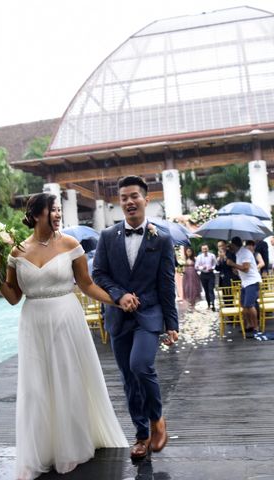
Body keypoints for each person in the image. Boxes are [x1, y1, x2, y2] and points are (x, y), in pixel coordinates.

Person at [0, 193, 128, 479]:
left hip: (66, 318)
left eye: (58, 210)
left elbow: (88, 285)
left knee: (68, 379)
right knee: (36, 386)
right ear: (37, 214)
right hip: (33, 321)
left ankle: (73, 448)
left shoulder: (70, 244)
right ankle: (39, 452)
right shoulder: (17, 252)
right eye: (53, 210)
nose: (57, 214)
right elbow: (13, 297)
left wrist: (117, 300)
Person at [93, 175, 179, 461]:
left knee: (140, 365)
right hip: (118, 317)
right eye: (124, 198)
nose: (129, 202)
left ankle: (156, 419)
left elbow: (166, 284)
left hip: (149, 315)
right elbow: (99, 275)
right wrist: (119, 296)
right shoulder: (106, 237)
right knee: (129, 379)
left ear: (146, 199)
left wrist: (172, 325)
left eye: (134, 196)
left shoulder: (162, 240)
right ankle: (141, 436)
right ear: (120, 203)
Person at [227, 237, 264, 337]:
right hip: (245, 282)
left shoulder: (245, 253)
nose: (229, 247)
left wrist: (233, 264)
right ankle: (249, 325)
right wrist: (236, 269)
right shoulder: (238, 253)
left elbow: (246, 268)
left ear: (234, 245)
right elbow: (242, 268)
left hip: (252, 281)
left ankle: (256, 327)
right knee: (243, 304)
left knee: (249, 305)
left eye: (230, 245)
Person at [195, 243, 217, 311]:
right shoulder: (199, 257)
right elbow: (196, 266)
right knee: (206, 290)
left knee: (211, 289)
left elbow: (215, 264)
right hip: (203, 275)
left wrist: (213, 268)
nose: (205, 250)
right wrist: (202, 268)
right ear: (201, 250)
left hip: (210, 274)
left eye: (206, 248)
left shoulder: (212, 256)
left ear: (208, 249)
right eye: (203, 249)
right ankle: (208, 304)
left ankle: (213, 304)